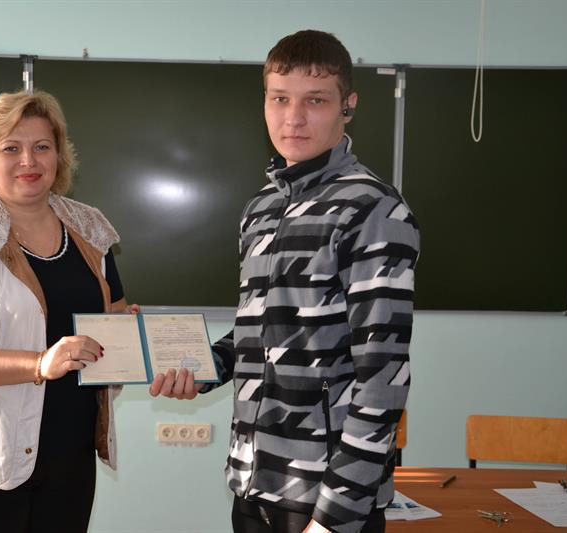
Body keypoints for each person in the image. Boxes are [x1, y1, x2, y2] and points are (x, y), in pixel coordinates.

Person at [150, 30, 420, 533]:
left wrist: (337, 516)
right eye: (279, 99)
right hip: (252, 483)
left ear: (348, 106)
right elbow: (258, 334)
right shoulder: (262, 209)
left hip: (324, 500)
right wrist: (200, 369)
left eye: (315, 100)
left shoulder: (373, 209)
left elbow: (384, 376)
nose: (293, 117)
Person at [0, 90, 133, 532]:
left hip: (69, 455)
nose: (28, 161)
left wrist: (134, 341)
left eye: (42, 147)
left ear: (59, 156)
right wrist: (39, 363)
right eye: (11, 148)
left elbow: (115, 318)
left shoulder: (90, 228)